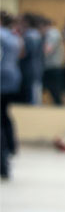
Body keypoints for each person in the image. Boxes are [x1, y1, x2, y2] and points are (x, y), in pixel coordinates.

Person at [0, 11, 22, 180]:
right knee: (4, 116)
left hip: (2, 78)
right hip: (12, 78)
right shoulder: (14, 37)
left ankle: (3, 163)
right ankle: (11, 148)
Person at [17, 13, 43, 105]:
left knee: (32, 100)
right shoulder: (36, 34)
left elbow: (23, 54)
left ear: (26, 22)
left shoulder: (29, 36)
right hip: (34, 69)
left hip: (30, 70)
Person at [41, 17, 64, 106]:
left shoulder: (52, 33)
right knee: (54, 92)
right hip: (51, 67)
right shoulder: (52, 33)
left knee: (55, 92)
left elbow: (47, 50)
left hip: (52, 67)